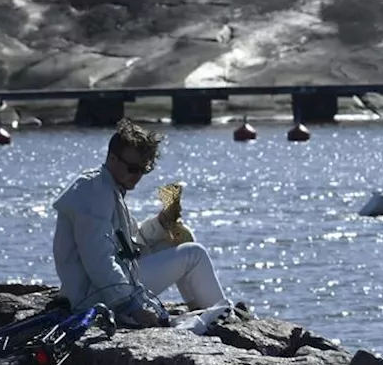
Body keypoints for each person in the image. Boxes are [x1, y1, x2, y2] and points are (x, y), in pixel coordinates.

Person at [51, 118, 246, 330]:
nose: (137, 176)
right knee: (194, 254)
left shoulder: (107, 187)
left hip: (101, 289)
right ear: (112, 158)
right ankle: (225, 319)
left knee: (175, 240)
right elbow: (99, 261)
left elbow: (130, 244)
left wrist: (161, 223)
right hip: (93, 296)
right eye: (133, 168)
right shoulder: (95, 193)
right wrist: (131, 305)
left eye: (144, 169)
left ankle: (205, 310)